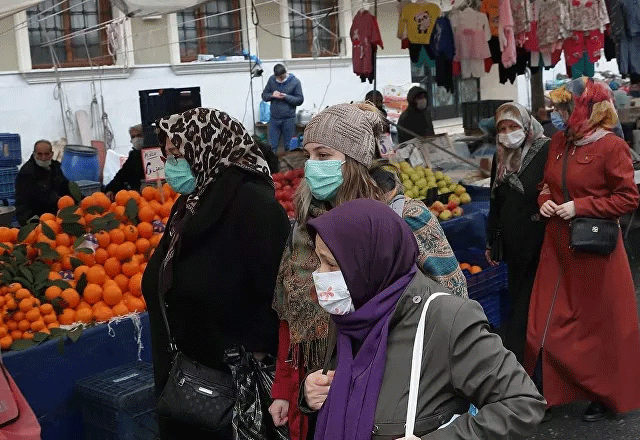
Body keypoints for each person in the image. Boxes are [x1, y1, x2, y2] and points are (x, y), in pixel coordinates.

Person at [268, 103, 467, 440]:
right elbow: (292, 314)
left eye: (323, 154)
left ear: (354, 159)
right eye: (308, 156)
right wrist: (287, 386)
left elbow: (453, 300)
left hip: (398, 390)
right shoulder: (306, 229)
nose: (312, 166)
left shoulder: (404, 219)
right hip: (327, 388)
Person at [301, 199, 546, 439]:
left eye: (332, 264)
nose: (319, 274)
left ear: (372, 262)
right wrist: (309, 391)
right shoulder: (353, 311)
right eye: (319, 261)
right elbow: (348, 382)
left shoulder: (446, 318)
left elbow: (522, 405)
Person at [142, 108, 290, 440]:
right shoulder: (189, 206)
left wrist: (253, 361)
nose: (172, 165)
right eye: (169, 156)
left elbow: (279, 301)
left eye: (179, 155)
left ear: (208, 149)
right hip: (185, 388)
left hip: (231, 401)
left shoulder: (257, 209)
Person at [527, 77, 640, 422]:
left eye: (565, 107)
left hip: (594, 253)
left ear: (588, 108)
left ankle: (602, 394)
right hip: (557, 248)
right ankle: (546, 393)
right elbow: (546, 182)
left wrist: (581, 206)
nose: (558, 114)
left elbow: (628, 197)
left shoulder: (612, 147)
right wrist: (545, 199)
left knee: (597, 330)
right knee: (544, 323)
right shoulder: (559, 141)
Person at [485, 103, 550, 362]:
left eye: (513, 126)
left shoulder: (545, 149)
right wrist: (491, 241)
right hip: (514, 245)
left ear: (525, 125)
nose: (508, 133)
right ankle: (523, 360)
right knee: (519, 302)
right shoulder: (500, 155)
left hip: (541, 240)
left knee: (535, 305)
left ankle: (534, 359)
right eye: (502, 128)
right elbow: (495, 201)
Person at [14, 139, 71, 225]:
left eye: (46, 154)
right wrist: (32, 223)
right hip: (38, 220)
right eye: (40, 154)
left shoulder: (56, 167)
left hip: (58, 217)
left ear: (52, 154)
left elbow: (67, 187)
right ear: (34, 154)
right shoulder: (26, 173)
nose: (43, 158)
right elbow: (22, 205)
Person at [262, 64, 304, 152]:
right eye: (278, 78)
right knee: (271, 146)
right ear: (274, 75)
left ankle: (289, 164)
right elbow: (264, 96)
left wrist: (286, 97)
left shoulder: (295, 82)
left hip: (289, 119)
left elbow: (300, 100)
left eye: (281, 77)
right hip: (274, 118)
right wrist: (272, 95)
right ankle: (271, 165)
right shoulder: (272, 80)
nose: (280, 80)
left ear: (286, 73)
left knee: (289, 146)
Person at [104, 124, 145, 193]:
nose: (136, 139)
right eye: (133, 137)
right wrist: (109, 189)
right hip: (136, 194)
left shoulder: (153, 153)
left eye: (139, 135)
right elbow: (122, 175)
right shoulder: (133, 155)